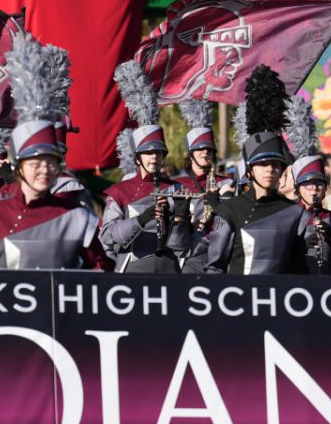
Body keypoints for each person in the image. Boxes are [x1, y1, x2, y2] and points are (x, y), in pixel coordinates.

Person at [0, 35, 106, 271]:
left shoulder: (79, 217)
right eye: (36, 163)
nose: (45, 170)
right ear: (18, 166)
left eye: (51, 162)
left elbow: (101, 274)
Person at [190, 67, 309, 276]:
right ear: (250, 171)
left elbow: (300, 271)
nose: (270, 170)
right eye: (263, 165)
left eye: (276, 165)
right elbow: (215, 267)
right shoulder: (230, 209)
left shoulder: (295, 212)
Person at [101, 62, 195, 274]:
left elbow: (183, 247)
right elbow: (107, 236)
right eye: (148, 153)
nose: (154, 157)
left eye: (159, 153)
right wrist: (141, 219)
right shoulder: (120, 191)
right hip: (133, 271)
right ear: (137, 159)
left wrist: (180, 217)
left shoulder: (176, 189)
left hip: (170, 270)